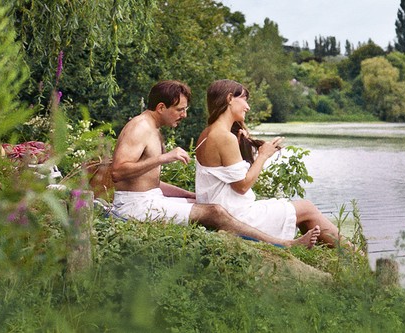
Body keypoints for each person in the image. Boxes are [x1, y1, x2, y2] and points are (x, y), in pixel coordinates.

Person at [110, 80, 319, 248]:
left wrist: (188, 195)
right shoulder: (140, 127)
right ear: (161, 107)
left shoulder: (152, 128)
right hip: (134, 206)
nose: (184, 115)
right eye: (179, 110)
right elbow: (118, 172)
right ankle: (284, 244)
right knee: (214, 212)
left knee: (202, 205)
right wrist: (164, 158)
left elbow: (147, 182)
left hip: (148, 199)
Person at [195, 79, 350, 248]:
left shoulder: (207, 133)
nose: (247, 107)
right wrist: (263, 155)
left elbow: (227, 174)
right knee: (307, 208)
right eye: (244, 99)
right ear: (230, 98)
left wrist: (245, 143)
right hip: (235, 216)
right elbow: (241, 186)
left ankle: (341, 254)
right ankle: (355, 257)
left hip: (223, 209)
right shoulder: (224, 137)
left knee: (301, 210)